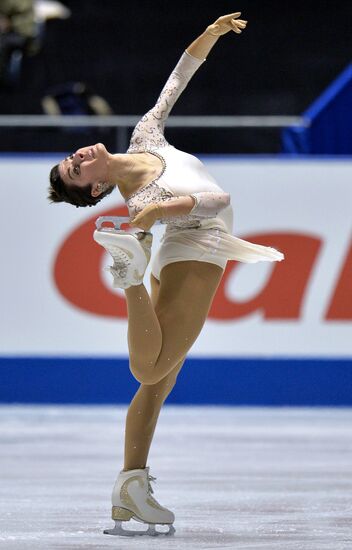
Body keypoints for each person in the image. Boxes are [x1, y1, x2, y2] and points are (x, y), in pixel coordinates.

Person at [48, 12, 284, 537]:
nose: (79, 155)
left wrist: (211, 35)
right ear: (93, 191)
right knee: (150, 371)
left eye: (72, 156)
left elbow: (178, 78)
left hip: (180, 246)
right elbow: (218, 200)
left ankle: (130, 485)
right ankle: (130, 278)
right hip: (199, 250)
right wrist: (155, 217)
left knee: (160, 380)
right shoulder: (142, 205)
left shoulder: (144, 136)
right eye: (76, 169)